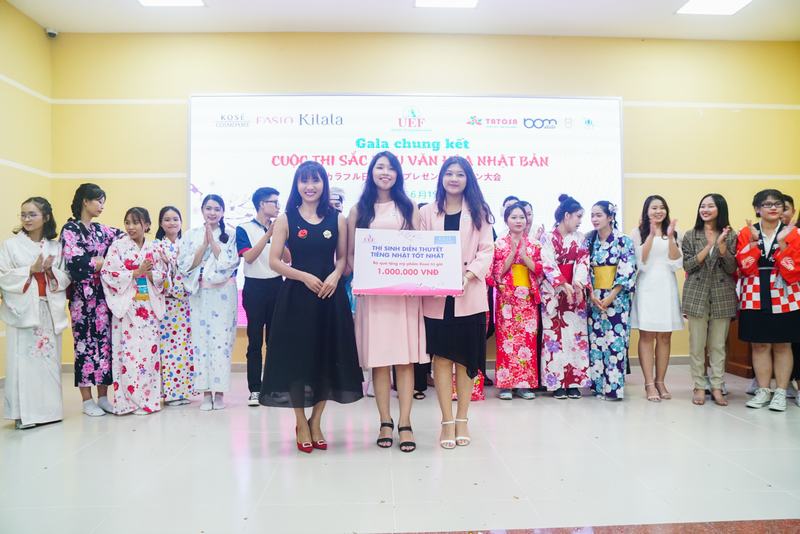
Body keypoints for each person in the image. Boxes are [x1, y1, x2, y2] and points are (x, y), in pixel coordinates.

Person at [259, 161, 363, 453]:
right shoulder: (286, 218)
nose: (310, 186)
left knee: (325, 359)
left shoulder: (337, 218)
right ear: (297, 185)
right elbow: (275, 261)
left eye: (315, 180)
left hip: (329, 298)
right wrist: (303, 276)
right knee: (298, 362)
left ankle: (316, 421)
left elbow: (342, 259)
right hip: (296, 299)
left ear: (323, 184)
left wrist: (335, 275)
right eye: (304, 181)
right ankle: (300, 422)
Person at [348, 151, 427, 452]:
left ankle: (405, 422)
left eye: (391, 168)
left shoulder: (409, 207)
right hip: (374, 296)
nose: (385, 172)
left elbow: (419, 248)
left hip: (404, 296)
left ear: (398, 174)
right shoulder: (359, 210)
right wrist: (364, 275)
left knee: (404, 360)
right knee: (379, 361)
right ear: (371, 172)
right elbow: (351, 254)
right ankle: (385, 421)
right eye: (380, 167)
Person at [420, 156, 493, 449]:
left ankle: (463, 418)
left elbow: (487, 251)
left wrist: (467, 275)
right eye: (448, 173)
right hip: (436, 297)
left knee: (465, 361)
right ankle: (446, 421)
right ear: (441, 178)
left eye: (459, 174)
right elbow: (420, 250)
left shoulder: (479, 211)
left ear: (467, 179)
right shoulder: (426, 212)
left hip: (468, 293)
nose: (453, 178)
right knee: (441, 358)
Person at [1, 197, 70, 429]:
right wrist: (30, 270)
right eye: (23, 214)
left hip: (47, 308)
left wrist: (50, 271)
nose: (27, 219)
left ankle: (49, 411)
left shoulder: (55, 247)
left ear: (46, 217)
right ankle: (23, 415)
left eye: (32, 214)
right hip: (23, 309)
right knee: (23, 363)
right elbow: (3, 276)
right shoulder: (10, 245)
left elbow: (65, 277)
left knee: (48, 362)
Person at [60, 183, 122, 417]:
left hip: (104, 297)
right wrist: (101, 262)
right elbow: (76, 263)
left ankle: (103, 397)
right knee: (84, 346)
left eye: (103, 201)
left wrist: (102, 261)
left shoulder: (102, 230)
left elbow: (124, 239)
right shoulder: (70, 229)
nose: (101, 205)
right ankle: (87, 400)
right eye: (98, 200)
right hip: (82, 299)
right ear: (85, 201)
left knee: (105, 345)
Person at [737, 189, 800, 412]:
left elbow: (794, 270)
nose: (773, 208)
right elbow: (744, 267)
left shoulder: (794, 233)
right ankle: (763, 390)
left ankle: (781, 392)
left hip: (785, 292)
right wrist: (754, 244)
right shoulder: (747, 232)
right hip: (753, 292)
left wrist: (782, 244)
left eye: (777, 204)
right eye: (767, 204)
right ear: (757, 209)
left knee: (783, 343)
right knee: (759, 343)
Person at [101, 207, 166, 415]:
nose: (130, 227)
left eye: (136, 222)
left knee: (149, 354)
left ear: (146, 225)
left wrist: (149, 274)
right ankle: (127, 402)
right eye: (127, 222)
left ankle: (148, 400)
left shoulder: (155, 248)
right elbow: (108, 273)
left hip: (149, 306)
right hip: (127, 307)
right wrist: (135, 272)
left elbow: (164, 276)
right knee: (127, 355)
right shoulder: (118, 247)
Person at [179, 194, 239, 410]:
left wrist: (213, 242)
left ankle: (220, 393)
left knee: (222, 342)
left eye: (217, 209)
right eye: (209, 208)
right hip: (199, 294)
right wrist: (203, 244)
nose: (212, 212)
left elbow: (228, 262)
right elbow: (185, 265)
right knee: (200, 342)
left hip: (224, 294)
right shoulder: (190, 234)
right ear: (202, 210)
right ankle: (205, 393)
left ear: (222, 212)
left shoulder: (231, 234)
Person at [681, 194, 737, 406]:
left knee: (718, 346)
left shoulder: (731, 234)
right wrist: (709, 246)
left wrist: (721, 247)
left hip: (722, 294)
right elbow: (688, 265)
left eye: (710, 206)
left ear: (720, 209)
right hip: (696, 293)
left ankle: (717, 387)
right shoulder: (690, 235)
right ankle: (698, 386)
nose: (705, 209)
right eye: (702, 206)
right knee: (697, 345)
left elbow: (731, 268)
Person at [236, 187, 286, 406]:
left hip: (277, 285)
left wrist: (280, 237)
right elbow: (248, 257)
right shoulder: (244, 228)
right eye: (274, 202)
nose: (277, 206)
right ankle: (255, 389)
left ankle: (273, 387)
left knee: (275, 340)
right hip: (254, 288)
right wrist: (268, 235)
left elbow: (288, 258)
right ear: (262, 204)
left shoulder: (281, 227)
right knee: (255, 340)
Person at [630, 195, 683, 402]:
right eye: (654, 208)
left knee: (665, 336)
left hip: (666, 286)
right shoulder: (637, 232)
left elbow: (676, 261)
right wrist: (651, 236)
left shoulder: (674, 232)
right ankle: (649, 383)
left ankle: (660, 381)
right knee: (647, 335)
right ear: (647, 211)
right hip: (646, 286)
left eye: (662, 207)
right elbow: (640, 261)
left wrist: (670, 238)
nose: (658, 211)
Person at [489, 202, 542, 400]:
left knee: (527, 341)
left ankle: (524, 385)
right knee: (507, 341)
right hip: (507, 300)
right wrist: (512, 254)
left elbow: (539, 271)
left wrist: (524, 257)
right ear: (506, 220)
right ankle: (506, 385)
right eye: (514, 217)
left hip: (527, 299)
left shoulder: (535, 244)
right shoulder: (499, 244)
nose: (518, 221)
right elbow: (496, 273)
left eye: (522, 217)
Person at [540, 194, 591, 399]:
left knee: (575, 337)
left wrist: (577, 283)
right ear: (567, 215)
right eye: (578, 216)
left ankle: (574, 382)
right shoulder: (547, 238)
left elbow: (583, 262)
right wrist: (562, 284)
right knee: (554, 337)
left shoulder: (581, 239)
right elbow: (547, 263)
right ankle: (557, 382)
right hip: (554, 292)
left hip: (574, 294)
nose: (580, 221)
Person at [586, 201, 636, 400]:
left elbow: (627, 270)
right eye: (592, 215)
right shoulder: (590, 241)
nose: (594, 219)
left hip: (617, 298)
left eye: (599, 215)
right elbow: (585, 269)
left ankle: (614, 388)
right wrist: (592, 294)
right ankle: (599, 386)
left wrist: (611, 296)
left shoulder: (624, 240)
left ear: (610, 217)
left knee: (615, 342)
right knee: (596, 342)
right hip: (595, 297)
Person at [154, 206, 193, 406]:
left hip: (184, 304)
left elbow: (191, 269)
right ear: (161, 224)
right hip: (166, 302)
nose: (172, 223)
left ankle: (182, 392)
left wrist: (176, 266)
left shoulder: (186, 244)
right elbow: (156, 274)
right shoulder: (156, 246)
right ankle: (169, 394)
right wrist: (169, 267)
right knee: (167, 348)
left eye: (175, 219)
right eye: (167, 219)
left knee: (183, 348)